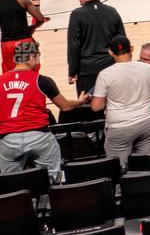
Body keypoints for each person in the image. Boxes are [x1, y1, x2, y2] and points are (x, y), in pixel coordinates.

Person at [0, 41, 88, 179]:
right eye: (38, 57)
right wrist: (80, 101)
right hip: (39, 136)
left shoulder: (1, 81)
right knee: (53, 177)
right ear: (31, 57)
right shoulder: (42, 80)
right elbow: (65, 106)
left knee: (11, 183)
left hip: (8, 139)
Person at [91, 36, 150, 168]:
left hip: (120, 126)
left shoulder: (105, 74)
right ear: (131, 49)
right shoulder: (148, 68)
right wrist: (143, 96)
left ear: (110, 52)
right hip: (147, 121)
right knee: (146, 165)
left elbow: (96, 107)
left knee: (119, 168)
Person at [0, 0, 47, 73]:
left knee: (9, 74)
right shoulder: (21, 0)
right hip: (24, 41)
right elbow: (40, 19)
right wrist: (32, 28)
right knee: (31, 73)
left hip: (6, 44)